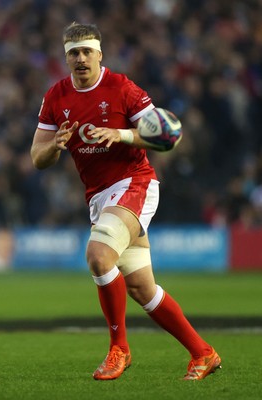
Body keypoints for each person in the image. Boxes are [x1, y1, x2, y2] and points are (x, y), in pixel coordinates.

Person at [30, 22, 221, 381]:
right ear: (66, 58)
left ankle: (119, 349)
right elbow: (36, 156)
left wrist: (119, 134)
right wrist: (54, 148)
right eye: (74, 53)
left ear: (100, 54)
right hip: (100, 197)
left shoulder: (122, 88)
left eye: (87, 51)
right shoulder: (55, 96)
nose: (81, 58)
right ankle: (203, 353)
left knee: (98, 256)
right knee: (140, 288)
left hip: (135, 184)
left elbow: (168, 137)